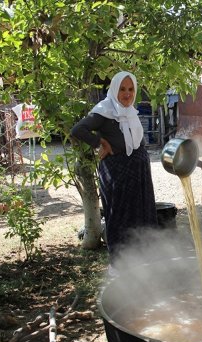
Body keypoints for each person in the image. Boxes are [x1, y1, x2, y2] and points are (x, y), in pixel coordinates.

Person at [71, 71, 158, 263]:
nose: (127, 94)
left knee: (142, 212)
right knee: (120, 216)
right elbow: (78, 129)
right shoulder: (105, 110)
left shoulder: (131, 112)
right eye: (122, 89)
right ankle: (120, 264)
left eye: (131, 89)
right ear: (113, 89)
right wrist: (100, 142)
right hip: (117, 173)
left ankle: (144, 261)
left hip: (139, 171)